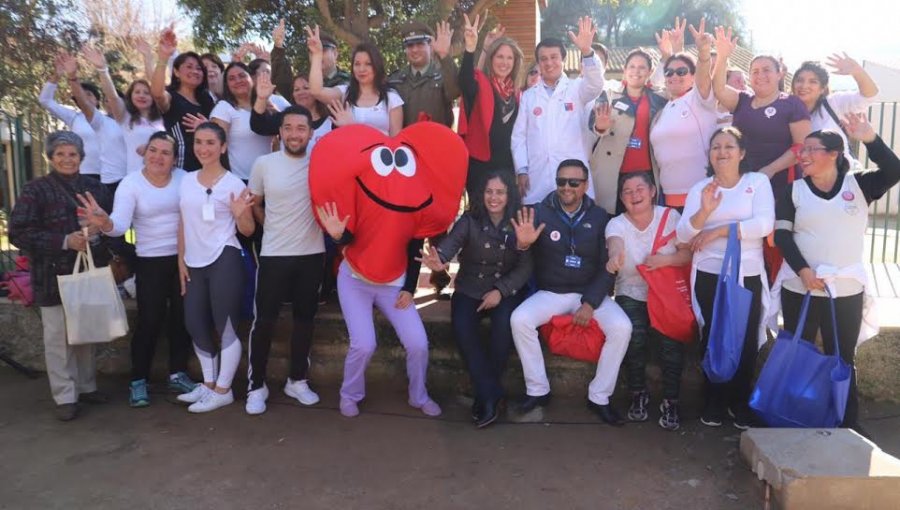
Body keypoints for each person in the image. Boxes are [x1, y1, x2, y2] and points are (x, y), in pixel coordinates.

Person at [774, 114, 900, 434]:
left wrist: (870, 138)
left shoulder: (859, 185)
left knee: (841, 357)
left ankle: (846, 422)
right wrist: (803, 271)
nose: (803, 155)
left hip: (845, 290)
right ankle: (796, 419)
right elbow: (783, 237)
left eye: (812, 149)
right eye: (802, 150)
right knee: (798, 355)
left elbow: (895, 170)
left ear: (833, 154)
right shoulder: (792, 191)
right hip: (800, 287)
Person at [75, 132, 196, 407]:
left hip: (184, 259)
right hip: (150, 261)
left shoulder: (184, 179)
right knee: (149, 321)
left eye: (165, 152)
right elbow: (118, 224)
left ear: (174, 159)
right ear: (145, 153)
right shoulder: (131, 183)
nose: (158, 157)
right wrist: (104, 222)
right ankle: (138, 380)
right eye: (153, 150)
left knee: (181, 319)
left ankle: (178, 374)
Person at [509, 159, 632, 426]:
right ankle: (537, 390)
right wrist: (523, 245)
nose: (566, 187)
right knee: (519, 320)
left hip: (588, 293)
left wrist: (589, 303)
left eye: (573, 182)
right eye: (561, 181)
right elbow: (521, 256)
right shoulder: (538, 212)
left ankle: (599, 396)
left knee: (622, 327)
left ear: (585, 185)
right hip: (552, 292)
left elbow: (605, 267)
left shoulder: (600, 217)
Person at [9, 131, 113, 421]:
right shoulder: (35, 189)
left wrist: (97, 232)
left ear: (81, 157)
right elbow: (18, 232)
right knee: (57, 338)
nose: (67, 159)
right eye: (60, 154)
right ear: (51, 157)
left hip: (89, 270)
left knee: (87, 332)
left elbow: (112, 225)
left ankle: (86, 387)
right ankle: (65, 396)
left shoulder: (96, 188)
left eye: (73, 154)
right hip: (51, 274)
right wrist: (64, 241)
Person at [676, 127, 774, 430]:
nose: (722, 152)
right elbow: (683, 234)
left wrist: (719, 230)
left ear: (742, 153)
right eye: (716, 147)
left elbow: (763, 224)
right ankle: (714, 400)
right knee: (712, 336)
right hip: (709, 273)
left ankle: (739, 402)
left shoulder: (757, 183)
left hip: (746, 274)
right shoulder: (701, 189)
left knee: (745, 340)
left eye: (729, 146)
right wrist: (704, 213)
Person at [418, 170, 532, 428]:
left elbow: (526, 268)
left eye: (500, 192)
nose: (494, 197)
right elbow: (449, 245)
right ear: (481, 194)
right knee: (462, 328)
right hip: (470, 288)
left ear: (508, 195)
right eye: (489, 191)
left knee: (503, 329)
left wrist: (500, 291)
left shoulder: (519, 222)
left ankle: (485, 396)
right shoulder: (469, 220)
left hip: (503, 290)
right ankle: (491, 393)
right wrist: (439, 261)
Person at [244, 105, 326, 415]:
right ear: (280, 131)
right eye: (288, 127)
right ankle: (256, 385)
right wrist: (273, 225)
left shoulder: (320, 162)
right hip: (274, 254)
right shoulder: (263, 164)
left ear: (310, 133)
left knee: (305, 321)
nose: (294, 133)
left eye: (300, 128)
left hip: (312, 255)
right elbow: (255, 203)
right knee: (264, 321)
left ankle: (297, 380)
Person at [175, 122, 255, 413]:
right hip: (193, 262)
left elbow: (247, 231)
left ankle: (223, 390)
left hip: (225, 257)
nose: (203, 148)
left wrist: (240, 214)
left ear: (222, 147)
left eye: (210, 143)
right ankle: (208, 385)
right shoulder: (186, 180)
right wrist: (180, 260)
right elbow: (183, 222)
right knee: (194, 321)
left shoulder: (234, 184)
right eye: (199, 142)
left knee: (227, 326)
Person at [605, 172, 691, 430]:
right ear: (621, 198)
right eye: (627, 191)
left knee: (671, 343)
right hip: (630, 290)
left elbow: (686, 255)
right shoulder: (617, 223)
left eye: (640, 188)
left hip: (666, 294)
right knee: (634, 337)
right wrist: (615, 257)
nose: (634, 195)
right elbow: (615, 244)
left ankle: (671, 400)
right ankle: (637, 394)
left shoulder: (670, 217)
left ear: (653, 191)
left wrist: (664, 260)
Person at [511, 17, 606, 205]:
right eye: (543, 59)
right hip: (537, 180)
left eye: (554, 57)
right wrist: (522, 169)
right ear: (538, 63)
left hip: (573, 180)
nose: (549, 63)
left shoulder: (577, 88)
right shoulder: (529, 97)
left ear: (563, 59)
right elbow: (519, 137)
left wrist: (586, 51)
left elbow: (596, 84)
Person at [711, 27, 811, 200]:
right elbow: (719, 89)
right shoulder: (741, 100)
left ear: (779, 74)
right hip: (742, 183)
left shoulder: (792, 104)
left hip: (780, 185)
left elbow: (801, 147)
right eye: (755, 72)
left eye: (766, 70)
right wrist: (722, 56)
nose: (760, 75)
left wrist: (770, 170)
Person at [648, 19, 719, 211]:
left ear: (693, 76)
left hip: (702, 197)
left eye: (681, 71)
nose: (674, 76)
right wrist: (671, 50)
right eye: (669, 72)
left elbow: (704, 79)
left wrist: (704, 53)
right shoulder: (663, 110)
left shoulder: (699, 99)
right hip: (668, 199)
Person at [588, 48, 667, 214]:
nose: (636, 71)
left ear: (650, 72)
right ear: (624, 70)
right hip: (613, 171)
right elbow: (592, 123)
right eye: (632, 66)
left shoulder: (659, 99)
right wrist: (601, 126)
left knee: (643, 221)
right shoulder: (609, 95)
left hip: (646, 172)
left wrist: (668, 53)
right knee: (610, 221)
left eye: (641, 67)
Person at [457, 13, 525, 199]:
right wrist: (471, 49)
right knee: (480, 218)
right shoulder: (481, 84)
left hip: (507, 166)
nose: (504, 62)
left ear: (515, 61)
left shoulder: (518, 94)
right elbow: (466, 81)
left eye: (509, 58)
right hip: (480, 164)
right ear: (491, 59)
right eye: (499, 57)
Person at [81, 44, 165, 177]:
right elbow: (113, 97)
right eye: (137, 92)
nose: (142, 95)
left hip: (163, 178)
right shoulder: (125, 117)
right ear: (130, 96)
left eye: (146, 93)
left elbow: (157, 84)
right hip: (135, 178)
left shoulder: (163, 117)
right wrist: (102, 69)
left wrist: (148, 57)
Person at [307, 25, 403, 136]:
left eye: (368, 64)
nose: (361, 69)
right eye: (357, 64)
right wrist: (317, 55)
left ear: (377, 66)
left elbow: (395, 144)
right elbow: (316, 91)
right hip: (349, 153)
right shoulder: (344, 93)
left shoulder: (392, 98)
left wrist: (352, 127)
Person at [56, 51, 128, 193]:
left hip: (135, 181)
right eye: (106, 101)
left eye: (113, 101)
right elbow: (84, 103)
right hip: (111, 183)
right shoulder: (102, 122)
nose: (110, 103)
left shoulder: (136, 122)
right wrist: (72, 77)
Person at [791, 54, 879, 167]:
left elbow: (870, 96)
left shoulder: (833, 103)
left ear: (822, 88)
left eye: (813, 81)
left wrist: (857, 71)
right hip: (804, 180)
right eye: (799, 80)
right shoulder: (785, 110)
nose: (804, 85)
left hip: (843, 179)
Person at [151, 27, 215, 171]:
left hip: (206, 168)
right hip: (179, 170)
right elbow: (157, 93)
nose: (195, 71)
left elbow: (218, 130)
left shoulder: (206, 99)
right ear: (176, 72)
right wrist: (163, 57)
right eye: (189, 67)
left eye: (199, 68)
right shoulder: (171, 97)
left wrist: (207, 126)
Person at [38, 57, 102, 181]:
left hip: (109, 176)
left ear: (97, 100)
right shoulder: (74, 117)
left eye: (88, 94)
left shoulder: (110, 119)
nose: (84, 98)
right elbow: (45, 100)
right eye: (81, 95)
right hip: (82, 173)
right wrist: (57, 75)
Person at [210, 62, 275, 181]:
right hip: (240, 180)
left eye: (242, 76)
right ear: (227, 85)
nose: (238, 80)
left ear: (251, 78)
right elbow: (216, 148)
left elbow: (277, 139)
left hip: (269, 179)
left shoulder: (265, 105)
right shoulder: (224, 108)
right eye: (232, 78)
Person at [388, 21, 460, 128]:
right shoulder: (395, 80)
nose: (415, 50)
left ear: (430, 47)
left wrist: (444, 56)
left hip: (436, 141)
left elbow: (455, 92)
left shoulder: (442, 75)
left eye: (420, 44)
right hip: (405, 143)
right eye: (410, 45)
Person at [272, 19, 349, 96]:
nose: (317, 55)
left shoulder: (348, 82)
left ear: (335, 53)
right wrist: (278, 47)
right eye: (313, 52)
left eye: (323, 51)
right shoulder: (304, 81)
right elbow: (284, 88)